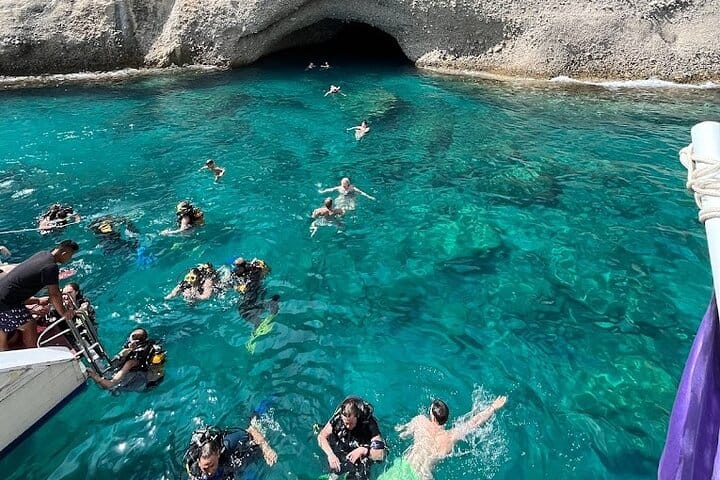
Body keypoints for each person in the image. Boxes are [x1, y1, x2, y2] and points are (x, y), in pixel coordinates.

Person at [379, 396, 508, 480]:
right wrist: (493, 407)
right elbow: (473, 423)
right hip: (423, 476)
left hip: (404, 468)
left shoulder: (420, 421)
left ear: (432, 415)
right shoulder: (450, 437)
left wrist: (398, 429)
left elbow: (402, 433)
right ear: (446, 419)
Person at [0, 240, 79, 351]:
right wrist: (64, 313)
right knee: (29, 324)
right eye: (70, 256)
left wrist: (37, 300)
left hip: (4, 295)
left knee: (3, 331)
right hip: (7, 303)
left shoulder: (42, 254)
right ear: (64, 253)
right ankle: (34, 353)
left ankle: (3, 355)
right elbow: (54, 294)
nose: (69, 259)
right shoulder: (51, 267)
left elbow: (16, 287)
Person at [318, 396, 386, 480]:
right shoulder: (338, 419)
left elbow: (380, 455)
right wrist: (330, 455)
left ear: (357, 417)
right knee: (334, 469)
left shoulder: (369, 424)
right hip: (343, 446)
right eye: (346, 423)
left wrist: (364, 450)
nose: (347, 426)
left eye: (351, 423)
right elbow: (321, 436)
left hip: (361, 451)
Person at [184, 419, 278, 480]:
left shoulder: (229, 443)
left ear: (218, 454)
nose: (209, 471)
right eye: (205, 468)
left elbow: (252, 430)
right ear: (199, 462)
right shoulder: (194, 468)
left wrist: (266, 449)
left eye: (212, 465)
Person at [86, 327, 166, 391]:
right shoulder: (148, 348)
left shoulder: (131, 362)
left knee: (111, 382)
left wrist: (94, 376)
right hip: (151, 378)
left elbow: (110, 384)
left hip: (144, 384)